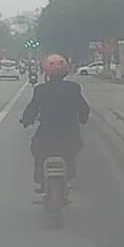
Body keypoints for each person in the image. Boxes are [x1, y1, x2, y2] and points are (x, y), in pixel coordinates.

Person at [20, 54, 90, 193]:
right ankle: (70, 175)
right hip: (70, 135)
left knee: (37, 151)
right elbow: (84, 109)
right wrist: (83, 119)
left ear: (46, 72)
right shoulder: (73, 88)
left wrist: (26, 120)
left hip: (46, 136)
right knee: (72, 153)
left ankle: (41, 179)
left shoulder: (40, 90)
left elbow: (32, 109)